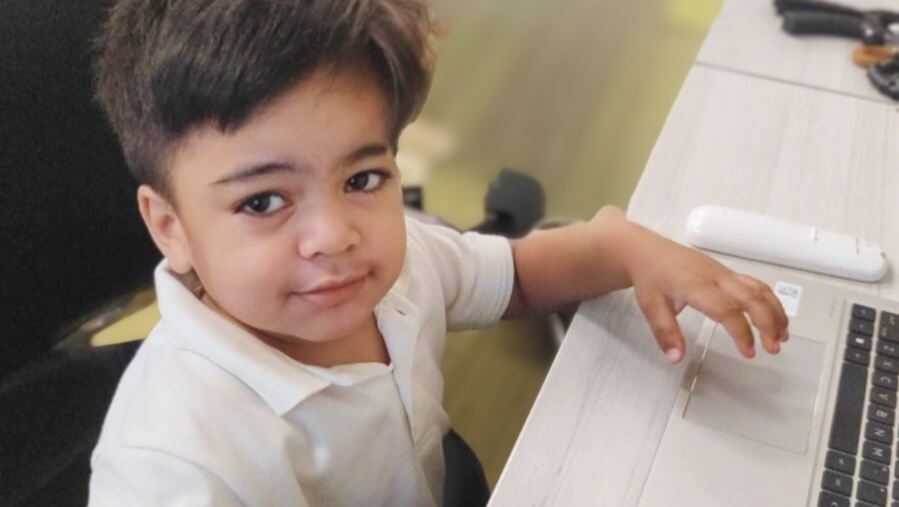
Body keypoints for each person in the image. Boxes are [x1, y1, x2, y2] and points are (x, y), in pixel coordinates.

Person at [88, 0, 789, 505]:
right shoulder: (172, 464)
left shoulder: (397, 267)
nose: (335, 236)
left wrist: (620, 246)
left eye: (362, 179)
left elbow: (517, 278)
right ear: (169, 226)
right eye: (263, 201)